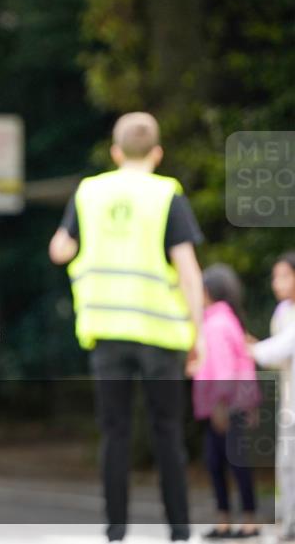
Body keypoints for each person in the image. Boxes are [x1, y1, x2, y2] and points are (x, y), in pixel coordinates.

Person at [49, 111, 204, 543]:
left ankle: (116, 531)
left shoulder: (90, 192)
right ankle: (179, 531)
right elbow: (189, 271)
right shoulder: (166, 194)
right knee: (168, 432)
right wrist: (199, 334)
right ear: (157, 152)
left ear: (115, 152)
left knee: (114, 432)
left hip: (107, 331)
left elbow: (60, 249)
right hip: (161, 335)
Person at [192, 264, 260, 539]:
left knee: (226, 462)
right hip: (234, 403)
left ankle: (244, 520)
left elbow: (223, 369)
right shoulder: (227, 320)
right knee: (225, 461)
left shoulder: (216, 324)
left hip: (224, 405)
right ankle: (233, 519)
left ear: (208, 291)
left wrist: (219, 404)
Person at [248, 252, 295, 542]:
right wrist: (257, 350)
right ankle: (290, 522)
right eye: (275, 276)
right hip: (290, 402)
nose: (277, 282)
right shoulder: (282, 312)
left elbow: (281, 349)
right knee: (287, 465)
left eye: (284, 275)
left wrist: (249, 349)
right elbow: (279, 358)